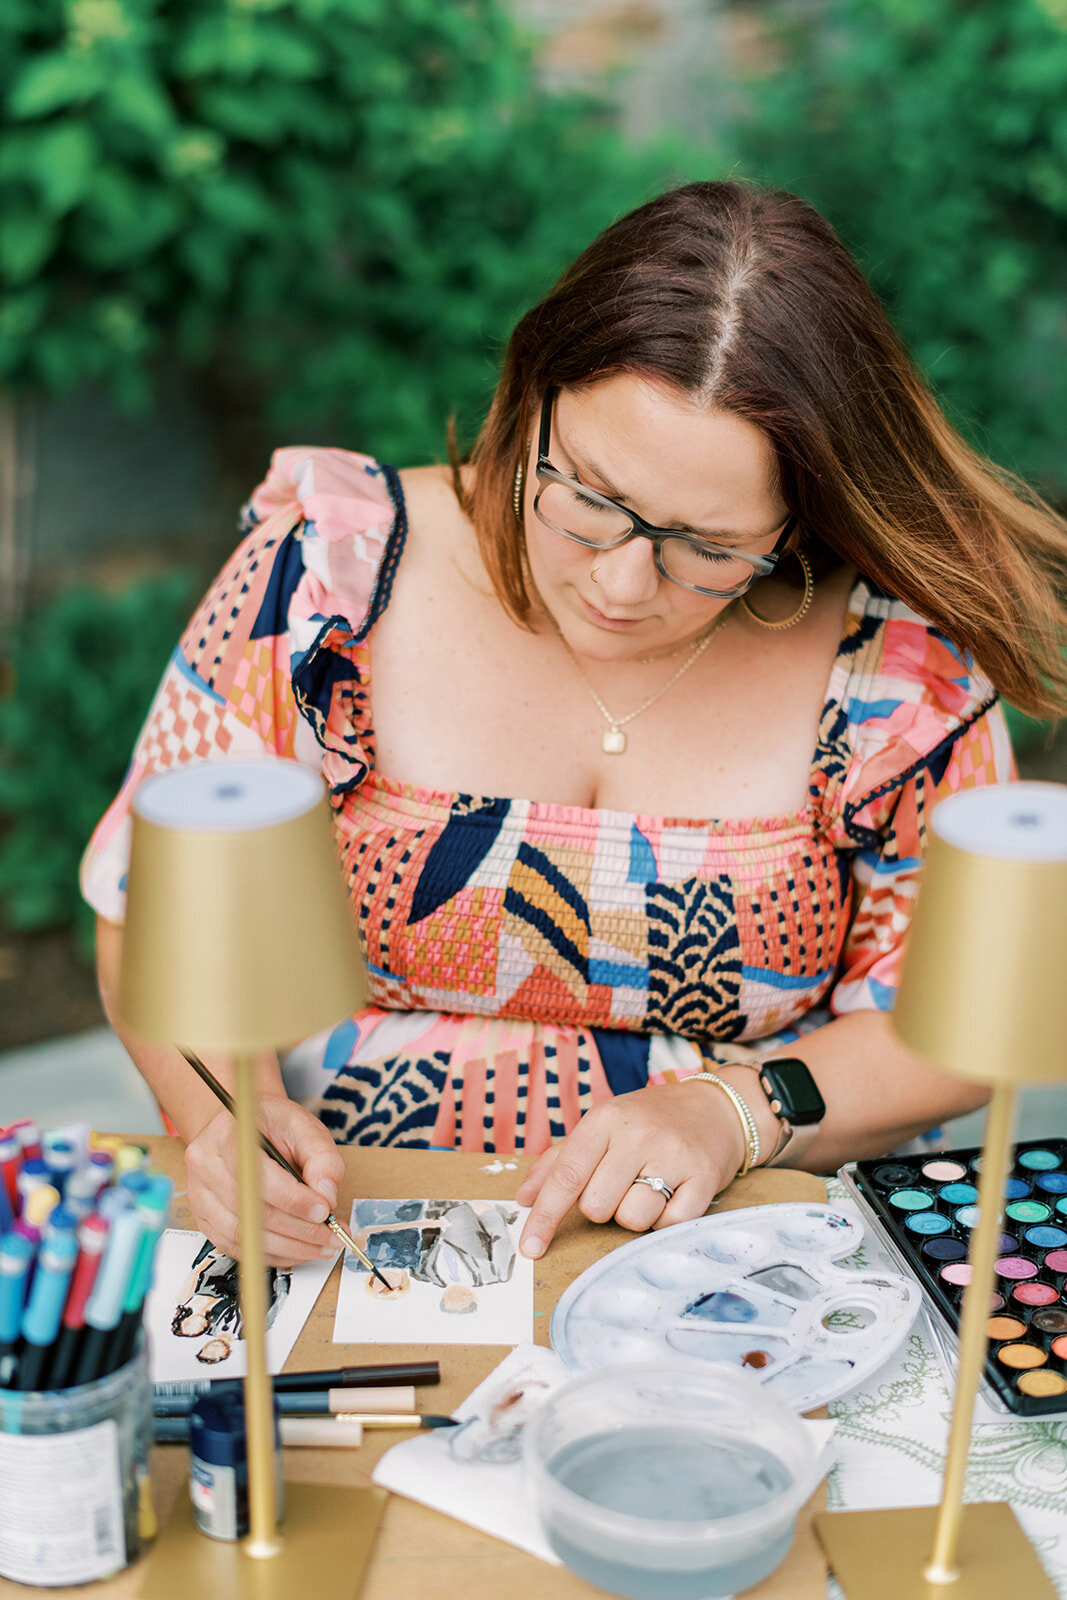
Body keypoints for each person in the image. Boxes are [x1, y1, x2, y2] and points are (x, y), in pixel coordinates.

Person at [83, 181, 1067, 1271]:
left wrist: (733, 1111)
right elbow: (147, 913)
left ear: (800, 516)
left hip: (740, 1275)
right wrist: (228, 1116)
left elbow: (954, 1021)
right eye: (588, 495)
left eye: (708, 544)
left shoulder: (897, 672)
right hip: (342, 1254)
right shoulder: (326, 584)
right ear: (533, 395)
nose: (621, 580)